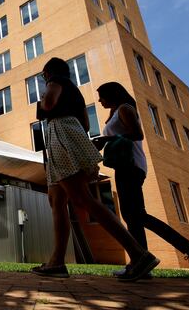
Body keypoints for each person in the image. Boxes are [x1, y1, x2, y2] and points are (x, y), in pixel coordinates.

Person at [30, 57, 159, 282]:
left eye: (44, 76)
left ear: (49, 72)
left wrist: (41, 103)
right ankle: (57, 262)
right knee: (56, 200)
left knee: (82, 198)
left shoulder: (56, 81)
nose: (44, 79)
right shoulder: (75, 92)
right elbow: (86, 126)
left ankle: (139, 254)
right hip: (66, 137)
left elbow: (48, 104)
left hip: (61, 138)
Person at [94, 82, 189, 279]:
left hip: (131, 166)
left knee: (137, 215)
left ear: (112, 95)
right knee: (133, 217)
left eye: (102, 96)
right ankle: (141, 263)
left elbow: (138, 134)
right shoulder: (116, 112)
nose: (99, 100)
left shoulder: (125, 108)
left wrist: (107, 140)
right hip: (126, 167)